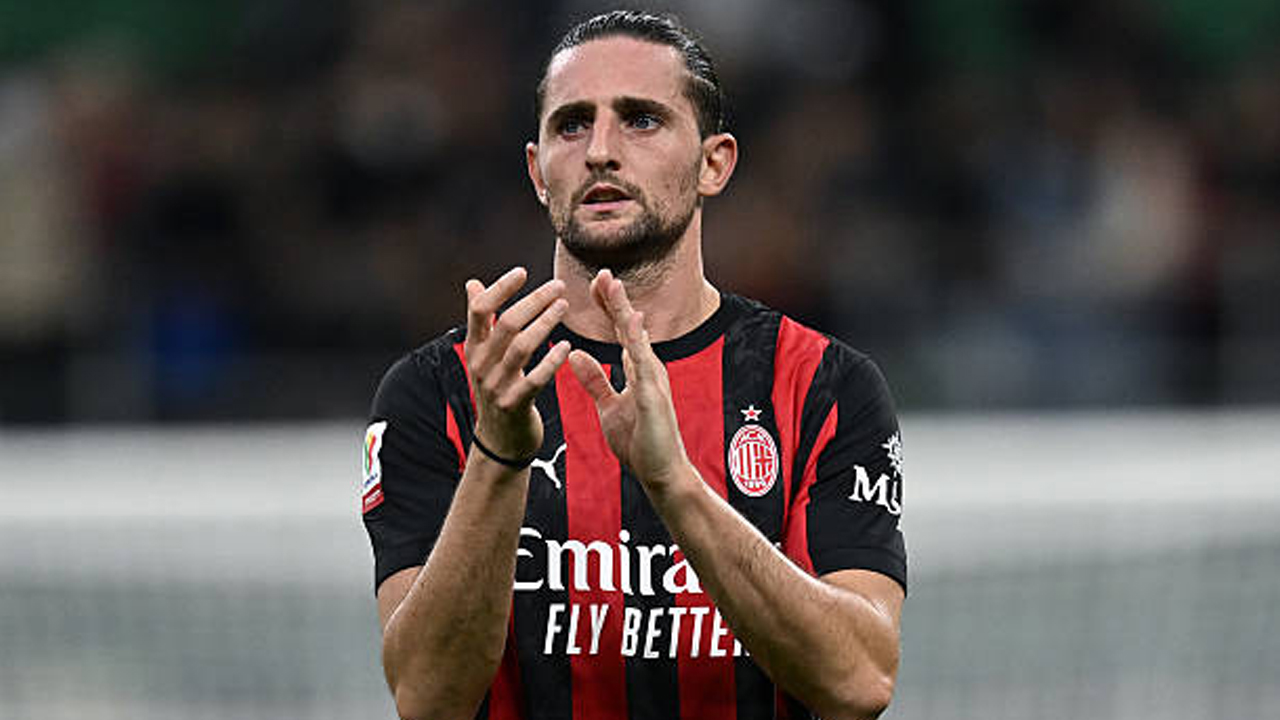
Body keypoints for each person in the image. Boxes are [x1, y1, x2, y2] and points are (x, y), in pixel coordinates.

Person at [361, 10, 906, 720]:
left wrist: (672, 482)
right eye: (571, 125)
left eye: (641, 120)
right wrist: (497, 453)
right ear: (536, 171)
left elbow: (860, 681)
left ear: (714, 163)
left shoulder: (822, 385)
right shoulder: (439, 391)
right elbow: (426, 700)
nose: (600, 151)